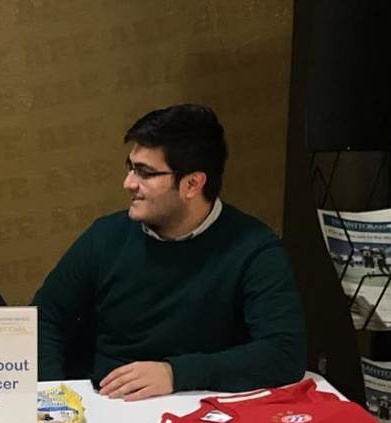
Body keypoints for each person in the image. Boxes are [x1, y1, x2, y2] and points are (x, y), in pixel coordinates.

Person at [33, 104, 306, 401]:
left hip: (206, 405)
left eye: (145, 173)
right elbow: (44, 317)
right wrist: (52, 395)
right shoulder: (106, 236)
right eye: (130, 167)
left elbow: (284, 352)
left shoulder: (254, 249)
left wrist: (175, 373)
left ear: (192, 184)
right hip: (107, 401)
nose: (128, 183)